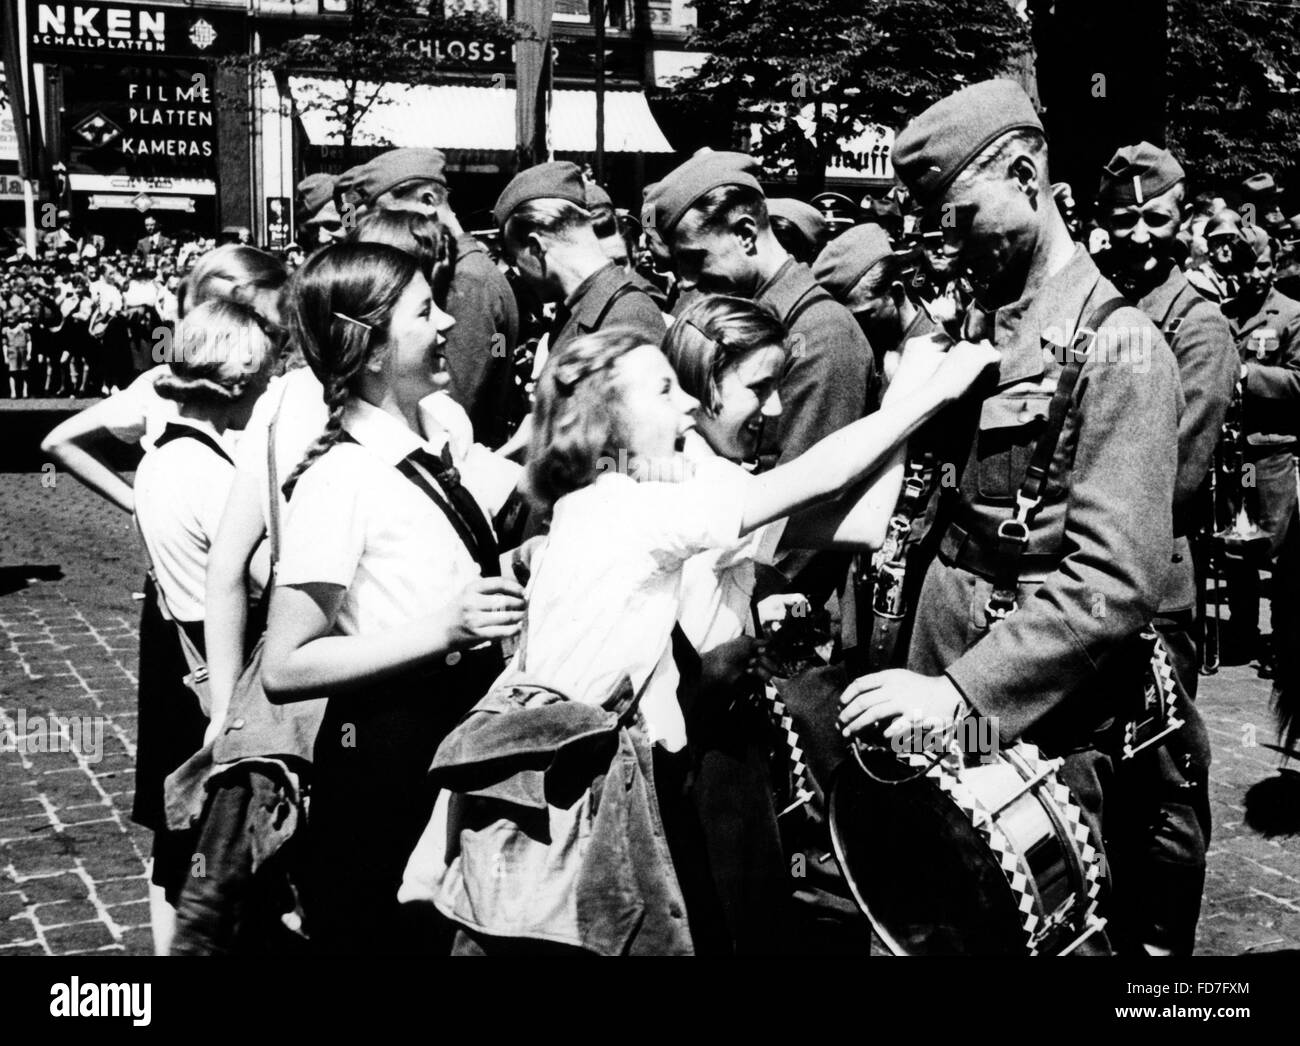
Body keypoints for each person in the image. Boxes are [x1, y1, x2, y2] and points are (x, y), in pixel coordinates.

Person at [838, 79, 1184, 956]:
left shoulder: (1121, 346)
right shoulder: (997, 332)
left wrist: (959, 698)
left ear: (1025, 175)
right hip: (942, 689)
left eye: (958, 216)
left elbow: (1114, 578)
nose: (949, 248)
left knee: (1019, 931)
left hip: (1030, 716)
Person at [259, 243, 526, 955]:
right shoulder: (340, 478)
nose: (447, 322)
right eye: (423, 311)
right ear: (371, 349)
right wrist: (445, 627)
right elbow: (285, 667)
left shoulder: (427, 442)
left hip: (447, 731)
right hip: (387, 757)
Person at [1096, 141, 1236, 956]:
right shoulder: (1101, 309)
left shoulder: (1198, 325)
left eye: (1158, 218)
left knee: (1165, 778)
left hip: (1154, 586)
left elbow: (1178, 472)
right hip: (1087, 581)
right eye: (1124, 219)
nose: (1141, 233)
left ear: (1184, 220)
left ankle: (1161, 954)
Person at [131, 300, 277, 953]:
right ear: (241, 380)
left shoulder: (162, 456)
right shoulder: (216, 473)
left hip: (183, 658)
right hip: (224, 675)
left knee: (186, 852)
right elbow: (268, 577)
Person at [346, 148, 520, 448]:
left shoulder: (467, 282)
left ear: (428, 202)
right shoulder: (459, 272)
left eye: (391, 216)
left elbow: (450, 402)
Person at [1219, 226, 1300, 683]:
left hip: (1270, 453)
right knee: (1236, 547)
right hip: (1232, 453)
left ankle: (1284, 640)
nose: (1253, 276)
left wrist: (1248, 373)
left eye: (1262, 266)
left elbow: (1299, 381)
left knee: (1281, 548)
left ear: (1273, 266)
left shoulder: (1291, 315)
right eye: (1245, 267)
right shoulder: (1224, 315)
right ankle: (1242, 631)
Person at [495, 161, 666, 364]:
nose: (519, 271)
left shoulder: (628, 319)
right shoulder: (580, 311)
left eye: (516, 259)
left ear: (536, 247)